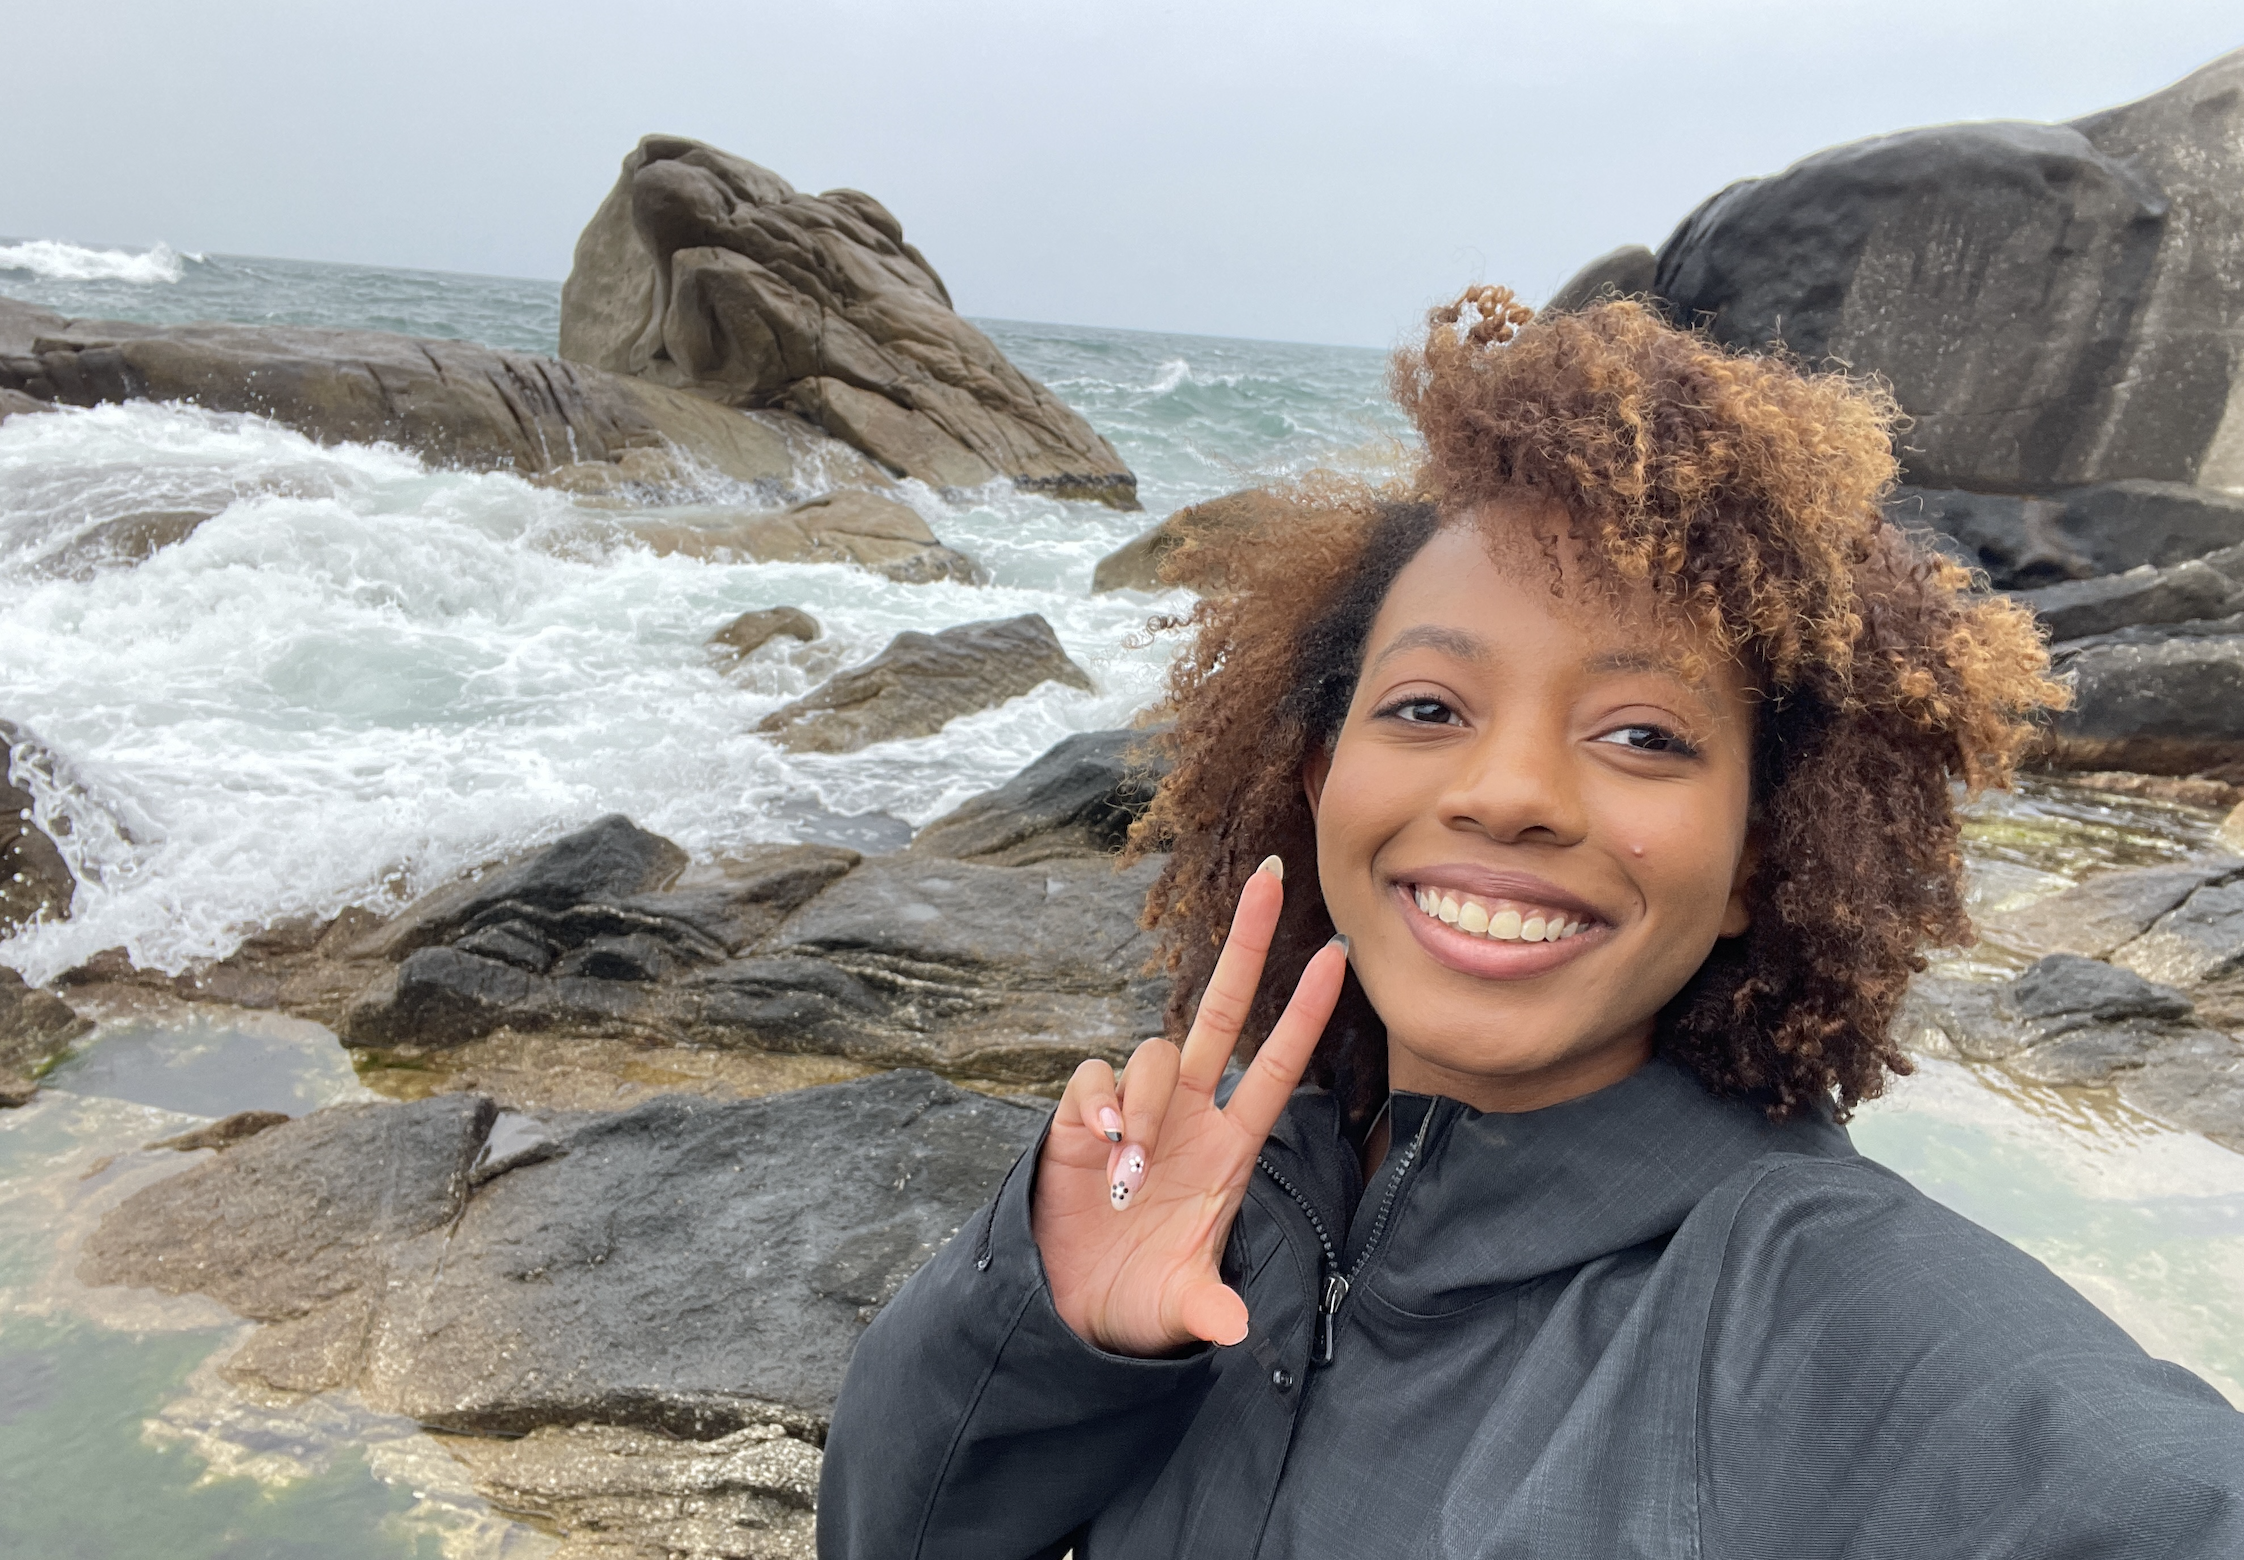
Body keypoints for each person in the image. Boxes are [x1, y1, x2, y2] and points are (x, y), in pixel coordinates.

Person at [816, 290, 2244, 1557]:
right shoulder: (1227, 1191)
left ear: (1760, 854)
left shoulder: (1832, 1318)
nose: (1507, 794)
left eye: (1641, 734)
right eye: (1429, 709)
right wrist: (1052, 1328)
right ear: (1321, 780)